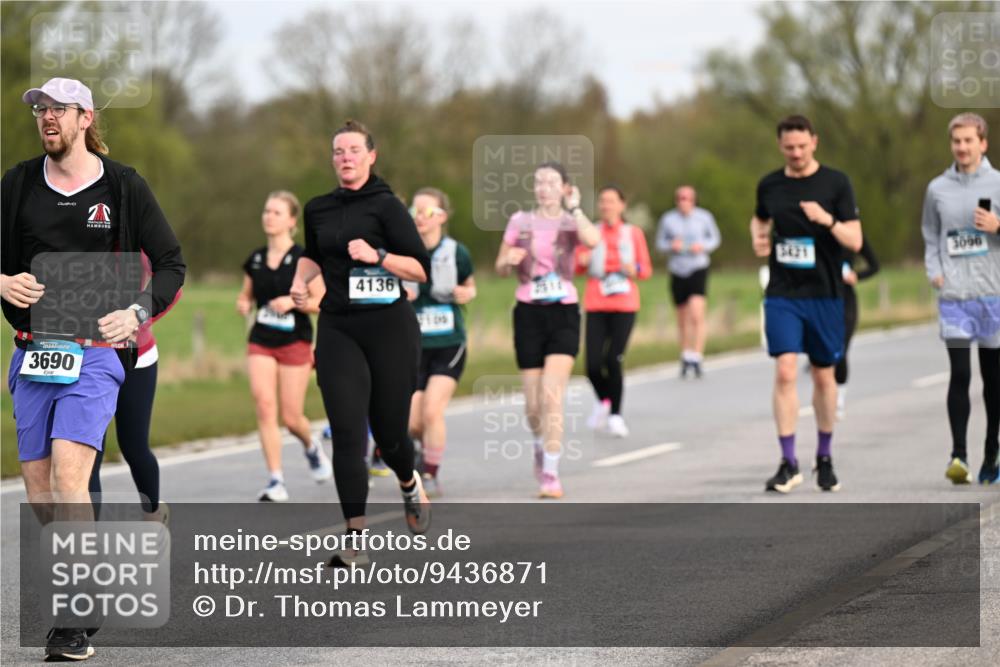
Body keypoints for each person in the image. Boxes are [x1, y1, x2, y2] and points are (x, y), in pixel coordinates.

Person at [1, 77, 185, 661]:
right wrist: (0, 281)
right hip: (33, 351)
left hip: (95, 355)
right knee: (38, 489)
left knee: (67, 476)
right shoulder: (18, 184)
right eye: (40, 110)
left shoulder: (125, 187)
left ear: (85, 118)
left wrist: (137, 312)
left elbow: (173, 264)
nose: (46, 118)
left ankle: (75, 613)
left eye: (58, 109)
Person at [290, 120, 431, 566]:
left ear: (371, 156)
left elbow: (421, 269)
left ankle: (408, 481)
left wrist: (380, 256)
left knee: (390, 436)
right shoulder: (318, 208)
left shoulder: (387, 208)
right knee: (348, 433)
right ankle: (355, 540)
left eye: (353, 150)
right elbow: (313, 254)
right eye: (338, 151)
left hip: (389, 327)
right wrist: (301, 280)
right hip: (338, 328)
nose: (345, 157)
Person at [750, 115, 862, 494]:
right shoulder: (769, 184)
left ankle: (825, 457)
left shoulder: (836, 182)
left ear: (814, 141)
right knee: (784, 370)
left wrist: (827, 219)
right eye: (788, 147)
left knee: (823, 375)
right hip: (783, 292)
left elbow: (856, 240)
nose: (796, 153)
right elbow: (759, 218)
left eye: (802, 146)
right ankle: (788, 462)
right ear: (780, 145)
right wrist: (760, 239)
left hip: (825, 294)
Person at [495, 161, 600, 498]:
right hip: (528, 311)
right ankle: (540, 445)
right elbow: (499, 267)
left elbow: (593, 240)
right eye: (539, 181)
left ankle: (551, 475)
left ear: (565, 188)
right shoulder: (519, 222)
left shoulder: (572, 221)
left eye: (552, 182)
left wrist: (577, 208)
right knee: (533, 406)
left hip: (564, 310)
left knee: (552, 394)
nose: (544, 187)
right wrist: (507, 261)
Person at [920, 112, 1000, 485]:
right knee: (960, 374)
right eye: (957, 141)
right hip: (954, 295)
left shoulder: (998, 183)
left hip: (992, 295)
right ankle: (959, 456)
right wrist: (933, 269)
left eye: (969, 140)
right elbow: (931, 235)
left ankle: (992, 452)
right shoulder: (937, 188)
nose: (962, 147)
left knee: (993, 380)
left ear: (983, 143)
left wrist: (998, 227)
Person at [237, 191, 331, 501]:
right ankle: (276, 480)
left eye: (276, 212)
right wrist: (243, 302)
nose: (269, 217)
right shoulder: (256, 258)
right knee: (264, 406)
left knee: (292, 418)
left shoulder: (305, 260)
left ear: (292, 221)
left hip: (295, 340)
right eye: (266, 211)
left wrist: (293, 302)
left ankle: (311, 446)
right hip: (262, 339)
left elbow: (323, 300)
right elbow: (248, 294)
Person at [89, 252, 181, 522]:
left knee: (134, 446)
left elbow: (173, 285)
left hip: (136, 357)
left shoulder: (140, 236)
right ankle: (86, 542)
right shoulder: (79, 232)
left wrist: (140, 319)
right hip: (91, 358)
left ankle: (153, 512)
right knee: (89, 451)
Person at [403, 187, 476, 496]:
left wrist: (465, 293)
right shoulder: (402, 253)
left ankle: (430, 475)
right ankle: (421, 449)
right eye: (414, 211)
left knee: (433, 410)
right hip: (413, 346)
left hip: (448, 343)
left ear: (441, 217)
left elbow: (470, 286)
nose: (419, 217)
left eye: (426, 211)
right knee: (411, 422)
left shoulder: (456, 252)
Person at [575, 186, 652, 437]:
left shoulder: (633, 233)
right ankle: (604, 401)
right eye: (602, 201)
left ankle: (616, 415)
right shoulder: (590, 233)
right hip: (597, 302)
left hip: (624, 304)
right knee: (593, 364)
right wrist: (581, 262)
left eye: (611, 201)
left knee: (613, 359)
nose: (606, 206)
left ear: (622, 205)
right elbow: (576, 266)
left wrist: (635, 268)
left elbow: (646, 270)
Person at [656, 185, 721, 378]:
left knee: (696, 312)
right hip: (677, 269)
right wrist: (670, 246)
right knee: (682, 316)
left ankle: (698, 355)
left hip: (698, 267)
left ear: (693, 200)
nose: (684, 202)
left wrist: (702, 247)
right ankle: (685, 354)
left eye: (687, 198)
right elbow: (659, 243)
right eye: (680, 198)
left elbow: (715, 239)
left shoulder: (704, 217)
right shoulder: (668, 219)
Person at [835, 238, 879, 420]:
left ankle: (839, 399)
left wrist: (856, 276)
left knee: (841, 350)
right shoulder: (819, 230)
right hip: (823, 298)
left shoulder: (852, 235)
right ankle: (824, 395)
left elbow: (874, 265)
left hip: (846, 301)